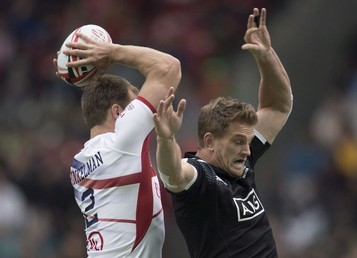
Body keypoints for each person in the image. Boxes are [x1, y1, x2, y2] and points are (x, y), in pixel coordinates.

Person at [153, 8, 292, 258]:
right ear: (210, 141)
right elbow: (173, 173)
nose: (248, 149)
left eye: (247, 141)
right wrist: (165, 139)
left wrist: (266, 56)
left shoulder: (241, 161)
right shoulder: (201, 178)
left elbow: (279, 106)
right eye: (238, 141)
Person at [53, 31, 181, 257]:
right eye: (135, 104)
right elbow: (169, 67)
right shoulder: (122, 142)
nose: (150, 113)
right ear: (118, 112)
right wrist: (111, 53)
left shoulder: (79, 163)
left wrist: (76, 72)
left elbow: (97, 95)